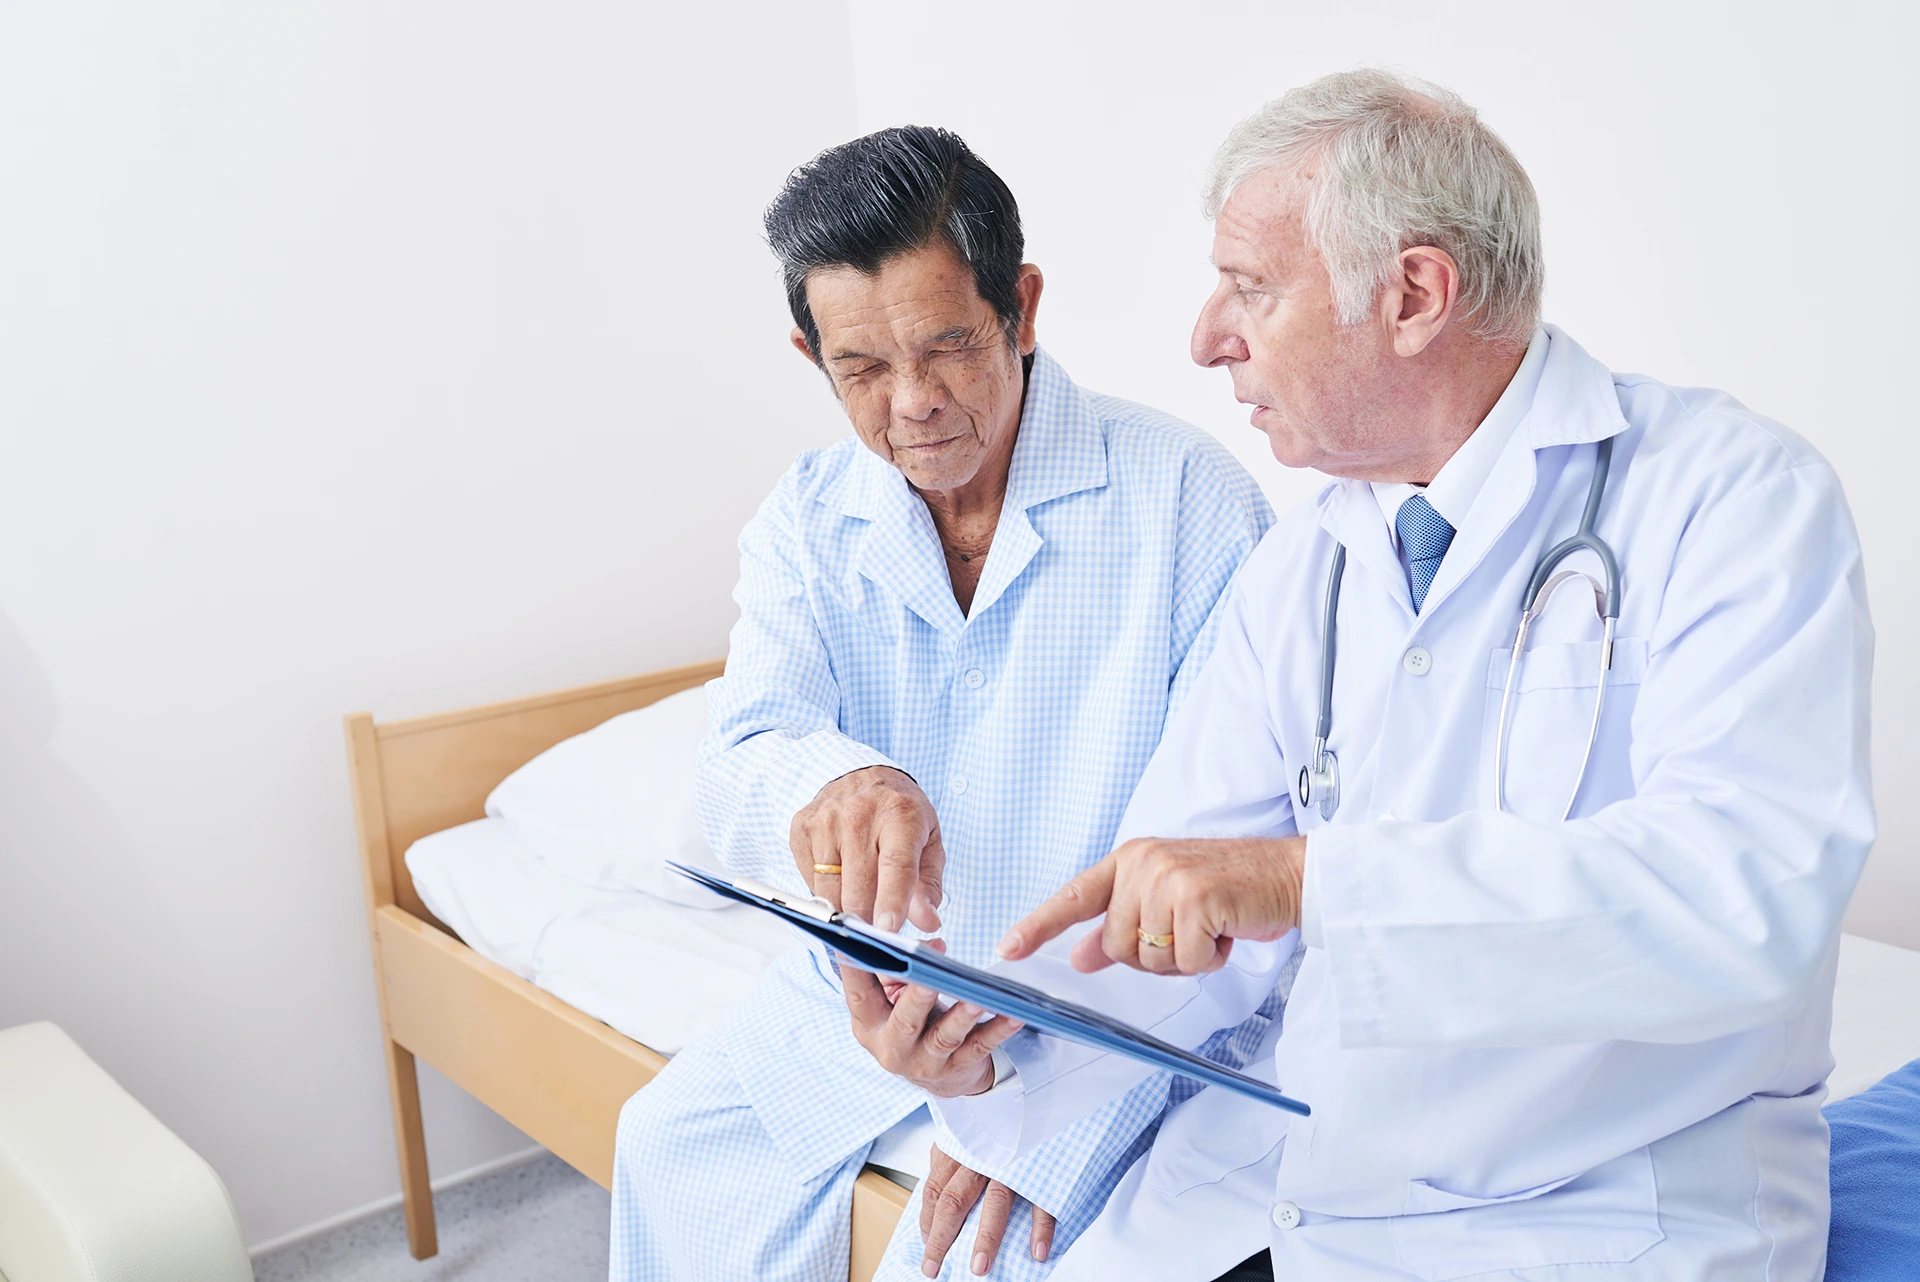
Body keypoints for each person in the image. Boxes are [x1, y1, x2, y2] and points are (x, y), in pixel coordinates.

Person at [873, 70, 1875, 1280]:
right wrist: (986, 1040)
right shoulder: (1309, 561)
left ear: (1413, 295)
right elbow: (1180, 924)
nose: (1206, 337)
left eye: (1250, 287)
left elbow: (1742, 899)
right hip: (1306, 1183)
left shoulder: (1731, 499)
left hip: (1600, 1209)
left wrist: (1311, 880)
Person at [607, 125, 1275, 1281]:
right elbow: (745, 748)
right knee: (665, 1144)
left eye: (951, 347)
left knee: (988, 1255)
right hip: (861, 1006)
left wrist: (1037, 1108)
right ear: (811, 354)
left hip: (1097, 1012)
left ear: (1021, 307)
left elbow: (1234, 841)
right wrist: (830, 783)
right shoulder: (809, 517)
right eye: (862, 369)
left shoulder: (1189, 501)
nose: (912, 403)